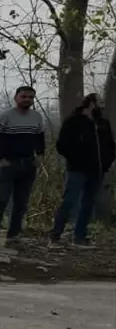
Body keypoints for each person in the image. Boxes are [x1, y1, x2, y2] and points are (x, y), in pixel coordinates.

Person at [0, 86, 45, 249]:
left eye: (30, 97)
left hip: (28, 165)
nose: (27, 100)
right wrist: (0, 159)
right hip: (9, 165)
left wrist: (39, 156)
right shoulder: (6, 116)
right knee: (1, 201)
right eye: (24, 97)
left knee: (21, 203)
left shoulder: (36, 117)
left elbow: (40, 139)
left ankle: (13, 237)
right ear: (16, 98)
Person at [51, 93, 115, 246]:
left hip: (97, 171)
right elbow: (62, 145)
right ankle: (55, 236)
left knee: (88, 203)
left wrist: (107, 162)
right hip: (77, 170)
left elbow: (110, 146)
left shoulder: (103, 123)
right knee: (69, 201)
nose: (103, 106)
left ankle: (80, 237)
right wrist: (76, 159)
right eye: (100, 102)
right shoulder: (74, 121)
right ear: (91, 103)